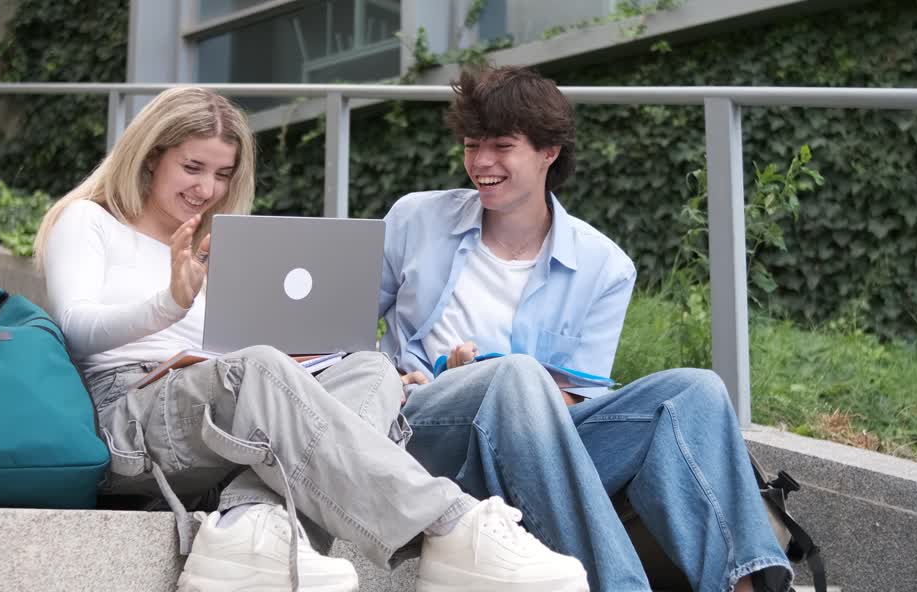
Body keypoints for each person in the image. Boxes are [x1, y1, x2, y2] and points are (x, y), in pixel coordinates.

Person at [35, 86, 590, 592]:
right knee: (257, 367)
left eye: (224, 174)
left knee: (371, 370)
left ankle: (250, 525)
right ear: (150, 155)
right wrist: (170, 304)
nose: (207, 188)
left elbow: (232, 357)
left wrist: (312, 360)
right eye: (192, 167)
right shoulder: (88, 221)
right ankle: (452, 528)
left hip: (217, 405)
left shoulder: (212, 244)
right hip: (128, 414)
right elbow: (77, 329)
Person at [379, 66, 794, 592]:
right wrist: (402, 380)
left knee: (697, 390)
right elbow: (336, 329)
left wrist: (500, 378)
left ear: (548, 152)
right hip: (427, 430)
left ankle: (749, 585)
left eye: (502, 146)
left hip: (543, 454)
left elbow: (580, 400)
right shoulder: (414, 219)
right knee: (515, 376)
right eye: (471, 144)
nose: (481, 162)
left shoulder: (604, 266)